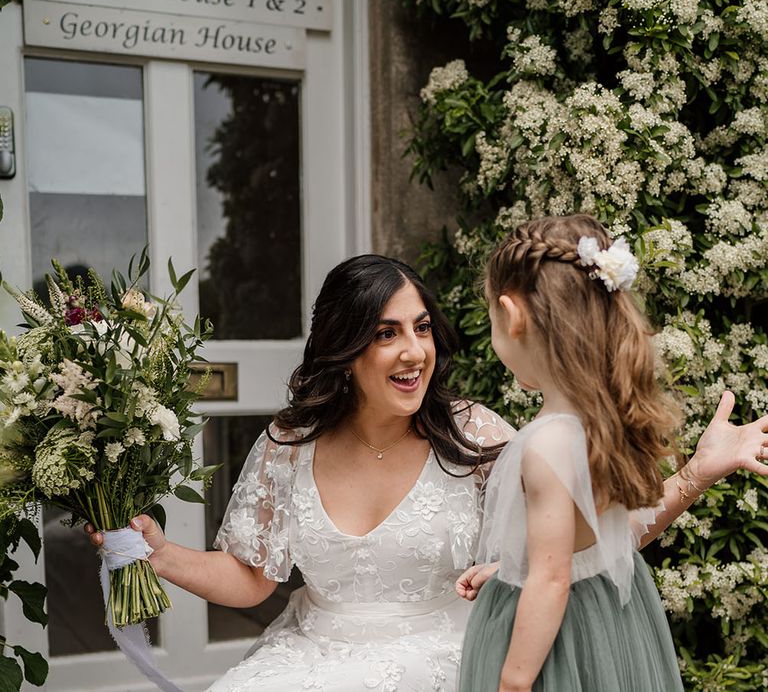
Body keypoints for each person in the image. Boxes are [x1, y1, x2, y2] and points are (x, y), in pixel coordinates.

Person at [86, 254, 768, 691]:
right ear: (344, 348)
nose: (415, 350)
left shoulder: (475, 435)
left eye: (421, 328)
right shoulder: (286, 444)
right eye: (386, 333)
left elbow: (586, 548)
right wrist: (162, 553)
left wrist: (693, 478)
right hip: (309, 659)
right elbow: (252, 578)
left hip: (448, 661)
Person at [456, 215, 768, 692]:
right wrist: (511, 566)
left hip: (559, 644)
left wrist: (513, 683)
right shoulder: (608, 418)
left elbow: (553, 579)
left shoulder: (546, 441)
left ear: (512, 315)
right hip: (612, 620)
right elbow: (592, 542)